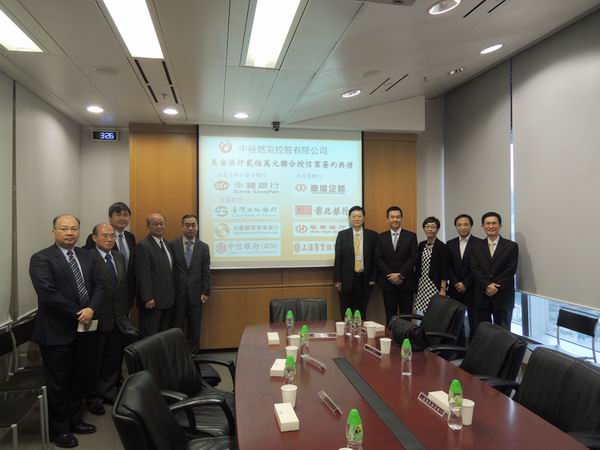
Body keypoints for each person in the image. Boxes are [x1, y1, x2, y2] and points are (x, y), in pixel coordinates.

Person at [29, 214, 103, 448]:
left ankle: (74, 420)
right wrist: (80, 312)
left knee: (78, 378)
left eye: (74, 228)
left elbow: (100, 285)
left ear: (79, 231)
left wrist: (91, 308)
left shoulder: (87, 255)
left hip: (84, 329)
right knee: (59, 383)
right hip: (56, 332)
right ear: (53, 231)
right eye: (64, 228)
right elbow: (48, 293)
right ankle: (59, 431)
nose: (70, 233)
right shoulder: (41, 258)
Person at [86, 223, 129, 414]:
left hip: (117, 317)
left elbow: (122, 287)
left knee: (113, 357)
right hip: (96, 317)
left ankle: (109, 391)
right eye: (105, 235)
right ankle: (93, 396)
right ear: (94, 238)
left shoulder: (119, 257)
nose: (110, 239)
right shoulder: (87, 258)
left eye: (112, 235)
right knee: (95, 359)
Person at [168, 214, 211, 352]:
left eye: (193, 225)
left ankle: (193, 354)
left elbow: (206, 271)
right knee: (177, 326)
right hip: (177, 294)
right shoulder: (172, 245)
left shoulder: (203, 247)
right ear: (182, 227)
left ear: (197, 227)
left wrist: (205, 291)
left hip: (196, 294)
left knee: (194, 327)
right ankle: (177, 353)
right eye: (187, 225)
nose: (190, 228)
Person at [471, 212, 519, 331]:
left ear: (500, 225)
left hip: (503, 296)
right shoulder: (475, 246)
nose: (491, 226)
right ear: (483, 226)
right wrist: (487, 285)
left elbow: (511, 269)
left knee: (503, 333)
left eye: (494, 223)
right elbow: (474, 268)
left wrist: (495, 286)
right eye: (487, 223)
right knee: (483, 332)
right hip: (482, 295)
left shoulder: (511, 246)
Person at [84, 202, 136, 310]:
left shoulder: (130, 237)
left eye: (125, 215)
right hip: (103, 296)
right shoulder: (94, 238)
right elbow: (90, 267)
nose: (122, 218)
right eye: (118, 215)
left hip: (126, 292)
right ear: (110, 217)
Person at [374, 206, 418, 326]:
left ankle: (406, 337)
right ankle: (391, 337)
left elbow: (413, 258)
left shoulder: (411, 236)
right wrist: (390, 275)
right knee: (390, 315)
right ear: (387, 219)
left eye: (398, 217)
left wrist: (400, 274)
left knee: (406, 316)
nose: (395, 219)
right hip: (388, 282)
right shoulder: (381, 237)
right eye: (392, 217)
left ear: (401, 218)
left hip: (406, 282)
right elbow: (378, 258)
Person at [333, 206, 378, 319]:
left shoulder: (372, 235)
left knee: (361, 312)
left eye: (359, 216)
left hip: (365, 279)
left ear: (363, 218)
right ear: (349, 218)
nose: (356, 219)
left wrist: (373, 278)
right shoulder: (342, 235)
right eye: (354, 216)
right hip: (346, 280)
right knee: (346, 312)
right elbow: (338, 258)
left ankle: (360, 331)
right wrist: (337, 280)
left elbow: (376, 258)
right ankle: (346, 331)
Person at [134, 213, 175, 336]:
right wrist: (147, 298)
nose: (159, 226)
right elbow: (142, 274)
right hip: (152, 302)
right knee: (150, 335)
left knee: (163, 334)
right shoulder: (143, 246)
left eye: (161, 223)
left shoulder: (167, 244)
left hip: (167, 300)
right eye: (155, 224)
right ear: (148, 226)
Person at [446, 214, 481, 338]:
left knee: (474, 320)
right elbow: (448, 266)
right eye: (459, 225)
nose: (462, 227)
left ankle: (473, 346)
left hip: (473, 288)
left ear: (471, 226)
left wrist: (465, 283)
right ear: (455, 227)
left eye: (466, 224)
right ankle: (458, 346)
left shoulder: (479, 243)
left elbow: (479, 267)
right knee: (456, 321)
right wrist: (456, 282)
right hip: (455, 288)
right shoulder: (450, 244)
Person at [414, 216, 448, 314]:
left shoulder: (442, 246)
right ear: (424, 228)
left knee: (435, 312)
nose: (430, 229)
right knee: (425, 312)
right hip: (422, 283)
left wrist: (442, 289)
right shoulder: (421, 245)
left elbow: (445, 269)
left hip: (435, 284)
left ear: (437, 229)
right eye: (427, 226)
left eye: (433, 227)